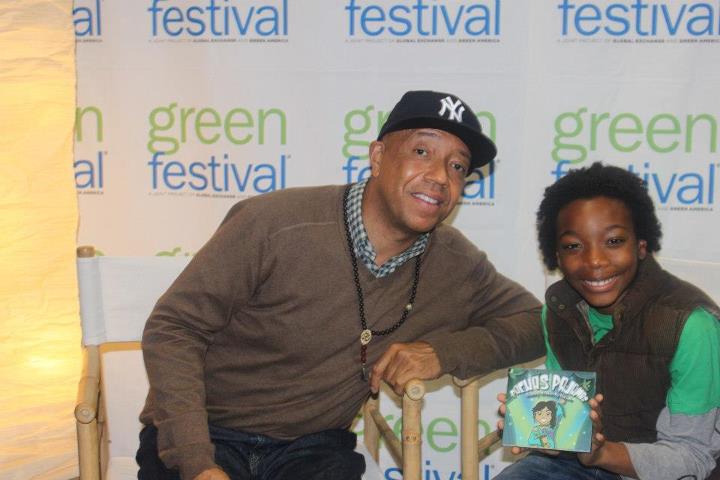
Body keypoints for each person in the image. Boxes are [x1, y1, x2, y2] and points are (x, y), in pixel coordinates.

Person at [137, 90, 545, 480]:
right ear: (378, 156)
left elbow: (538, 324)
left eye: (457, 166)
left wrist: (442, 353)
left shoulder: (455, 264)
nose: (440, 176)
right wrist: (197, 462)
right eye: (422, 151)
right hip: (209, 431)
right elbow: (174, 327)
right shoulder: (274, 224)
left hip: (313, 448)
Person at [495, 162, 720, 480]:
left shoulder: (692, 325)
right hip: (582, 463)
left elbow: (693, 457)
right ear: (556, 256)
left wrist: (601, 453)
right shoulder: (558, 311)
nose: (595, 261)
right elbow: (567, 431)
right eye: (573, 246)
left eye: (613, 241)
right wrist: (537, 429)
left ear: (641, 246)